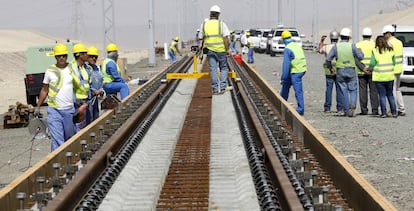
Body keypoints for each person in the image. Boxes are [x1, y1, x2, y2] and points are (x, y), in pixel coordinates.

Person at [35, 43, 78, 151]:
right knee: (57, 140)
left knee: (68, 138)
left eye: (64, 55)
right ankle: (57, 165)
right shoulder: (50, 71)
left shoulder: (72, 69)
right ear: (55, 57)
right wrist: (38, 106)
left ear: (67, 56)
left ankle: (66, 160)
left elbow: (79, 88)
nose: (61, 58)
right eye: (59, 56)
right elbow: (45, 90)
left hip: (68, 110)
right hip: (54, 110)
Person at [326, 28, 364, 117]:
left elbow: (328, 59)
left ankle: (346, 110)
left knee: (343, 90)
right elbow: (360, 57)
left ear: (340, 37)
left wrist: (331, 68)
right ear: (349, 37)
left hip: (340, 70)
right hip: (351, 69)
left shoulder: (336, 47)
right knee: (353, 89)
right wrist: (361, 53)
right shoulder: (352, 46)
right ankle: (352, 106)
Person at [199, 5, 233, 95]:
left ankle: (214, 89)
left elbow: (200, 38)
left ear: (210, 14)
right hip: (221, 50)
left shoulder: (204, 24)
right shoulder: (222, 24)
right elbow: (226, 38)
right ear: (218, 14)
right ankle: (222, 87)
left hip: (209, 50)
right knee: (224, 68)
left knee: (213, 69)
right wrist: (227, 49)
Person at [364, 35, 397, 118]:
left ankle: (384, 113)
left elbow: (372, 63)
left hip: (379, 77)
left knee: (382, 95)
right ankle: (394, 112)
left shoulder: (375, 51)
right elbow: (394, 62)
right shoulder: (390, 50)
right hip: (389, 76)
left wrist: (368, 69)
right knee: (390, 95)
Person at [280, 30, 307, 115]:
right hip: (302, 68)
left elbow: (286, 65)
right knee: (287, 84)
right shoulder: (295, 45)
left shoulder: (288, 49)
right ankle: (282, 102)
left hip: (296, 70)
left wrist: (283, 77)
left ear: (283, 39)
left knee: (297, 89)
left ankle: (300, 109)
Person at [318, 30, 344, 114]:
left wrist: (322, 41)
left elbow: (320, 50)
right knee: (339, 89)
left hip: (328, 70)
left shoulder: (327, 47)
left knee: (329, 89)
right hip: (339, 69)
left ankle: (327, 107)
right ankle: (340, 107)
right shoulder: (340, 47)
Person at [383, 25, 406, 116]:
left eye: (385, 34)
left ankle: (394, 109)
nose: (384, 36)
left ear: (388, 33)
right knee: (397, 89)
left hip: (391, 69)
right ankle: (401, 108)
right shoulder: (399, 42)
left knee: (392, 90)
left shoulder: (389, 43)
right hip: (399, 69)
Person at [356, 27, 379, 115]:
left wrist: (363, 68)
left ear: (362, 35)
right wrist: (370, 68)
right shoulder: (375, 45)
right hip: (372, 71)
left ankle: (364, 110)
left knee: (363, 91)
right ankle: (375, 110)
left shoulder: (358, 45)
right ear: (371, 35)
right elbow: (377, 59)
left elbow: (356, 59)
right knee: (373, 91)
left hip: (361, 72)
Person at [70, 43, 91, 131]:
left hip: (86, 100)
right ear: (79, 55)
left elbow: (87, 83)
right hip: (77, 102)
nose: (87, 55)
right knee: (79, 127)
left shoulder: (86, 68)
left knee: (87, 125)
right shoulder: (71, 67)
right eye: (85, 53)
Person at [86, 46, 104, 122]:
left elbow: (100, 81)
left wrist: (101, 91)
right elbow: (84, 84)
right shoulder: (84, 68)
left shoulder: (97, 68)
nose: (93, 58)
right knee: (88, 119)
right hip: (88, 99)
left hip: (96, 98)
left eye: (95, 57)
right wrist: (92, 90)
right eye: (91, 56)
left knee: (96, 118)